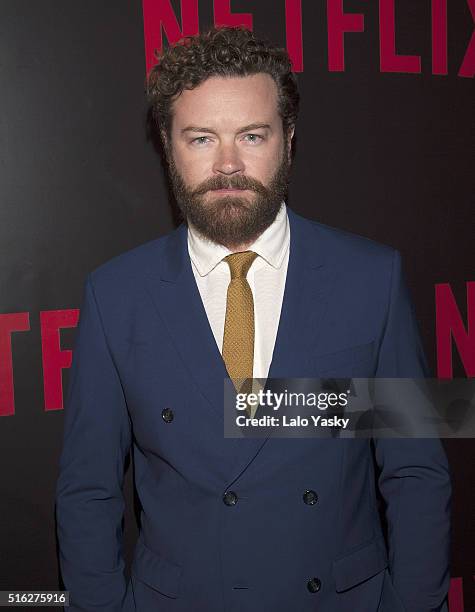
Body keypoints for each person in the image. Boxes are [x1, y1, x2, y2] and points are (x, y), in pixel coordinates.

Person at [55, 26, 451, 612]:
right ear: (168, 148)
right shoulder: (116, 295)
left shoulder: (372, 278)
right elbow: (88, 491)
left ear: (288, 139)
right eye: (200, 139)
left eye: (252, 135)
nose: (228, 165)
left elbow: (416, 473)